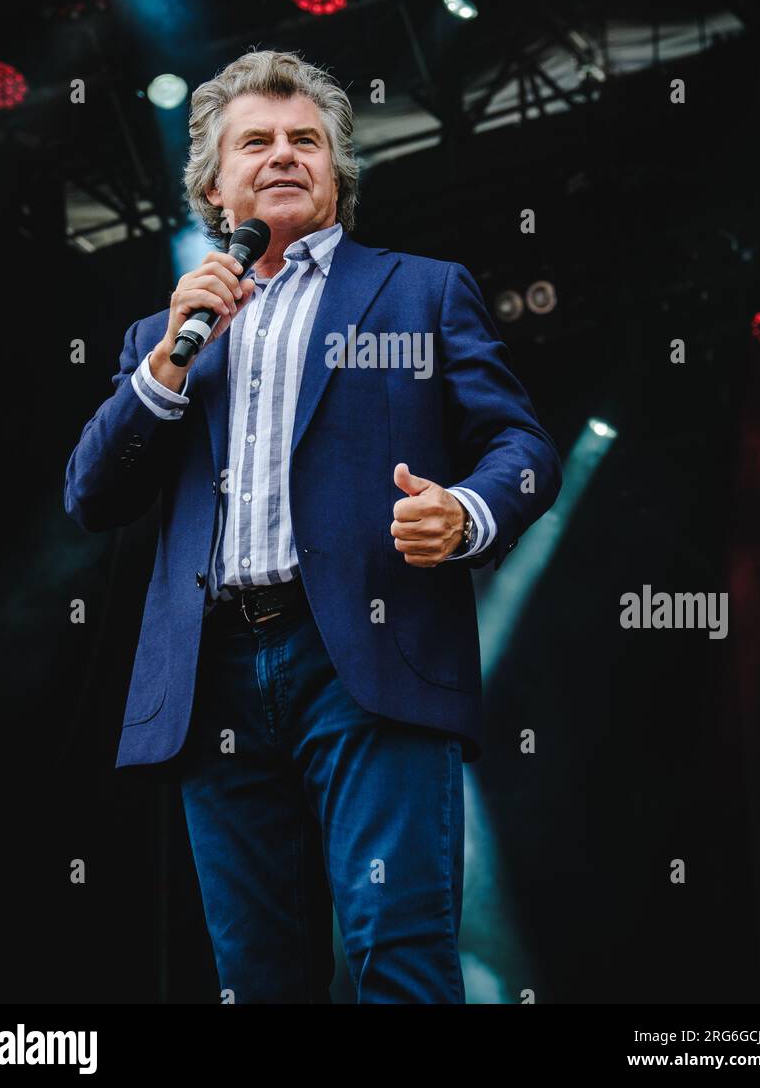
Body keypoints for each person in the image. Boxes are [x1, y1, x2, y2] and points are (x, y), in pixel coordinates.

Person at [64, 49, 563, 1004]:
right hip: (211, 683)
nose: (285, 154)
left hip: (366, 661)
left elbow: (521, 443)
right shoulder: (162, 335)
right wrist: (165, 369)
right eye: (256, 141)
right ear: (215, 184)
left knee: (396, 951)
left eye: (308, 141)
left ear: (337, 173)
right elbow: (92, 496)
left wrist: (464, 511)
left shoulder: (419, 290)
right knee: (258, 977)